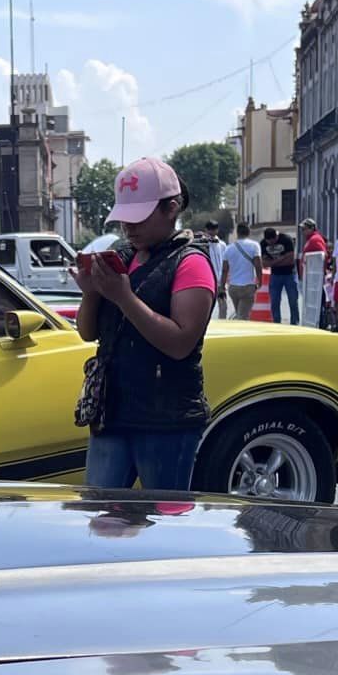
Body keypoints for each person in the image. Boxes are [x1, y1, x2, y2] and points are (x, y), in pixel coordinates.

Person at [76, 156, 214, 490]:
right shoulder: (122, 256)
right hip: (112, 413)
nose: (129, 227)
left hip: (166, 421)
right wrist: (92, 292)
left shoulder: (191, 261)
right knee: (100, 521)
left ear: (172, 208)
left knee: (165, 526)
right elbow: (89, 332)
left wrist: (123, 297)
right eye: (124, 218)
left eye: (139, 217)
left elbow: (181, 344)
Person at [222, 222, 263, 321]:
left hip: (233, 287)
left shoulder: (228, 248)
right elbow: (258, 265)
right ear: (249, 231)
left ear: (237, 233)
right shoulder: (254, 246)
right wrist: (260, 281)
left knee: (239, 313)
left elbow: (224, 270)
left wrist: (222, 286)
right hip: (248, 286)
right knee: (243, 317)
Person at [265, 228, 299, 323]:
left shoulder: (286, 240)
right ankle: (276, 322)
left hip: (289, 274)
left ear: (276, 237)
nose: (271, 244)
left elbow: (290, 260)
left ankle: (294, 322)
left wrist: (272, 262)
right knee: (274, 301)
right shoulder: (263, 243)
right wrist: (283, 258)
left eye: (273, 241)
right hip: (275, 275)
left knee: (293, 300)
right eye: (269, 242)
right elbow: (264, 263)